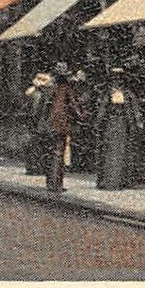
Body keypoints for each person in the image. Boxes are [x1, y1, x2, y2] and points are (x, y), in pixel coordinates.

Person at [97, 62, 145, 190]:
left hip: (122, 124)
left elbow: (134, 109)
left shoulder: (126, 94)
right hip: (114, 124)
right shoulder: (110, 93)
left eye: (119, 78)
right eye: (115, 78)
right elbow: (103, 109)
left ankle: (122, 180)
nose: (117, 80)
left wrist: (137, 122)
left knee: (122, 151)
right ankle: (113, 181)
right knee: (114, 152)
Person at [44, 63, 86, 193]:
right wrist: (81, 116)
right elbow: (73, 106)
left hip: (49, 123)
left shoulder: (51, 89)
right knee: (59, 152)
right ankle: (56, 184)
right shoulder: (66, 89)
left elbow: (44, 105)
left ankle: (50, 182)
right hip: (61, 123)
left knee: (51, 152)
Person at [23, 72, 52, 175]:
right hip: (41, 123)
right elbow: (36, 110)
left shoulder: (34, 93)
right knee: (39, 145)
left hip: (38, 123)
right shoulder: (40, 94)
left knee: (35, 145)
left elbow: (32, 110)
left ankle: (34, 167)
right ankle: (38, 167)